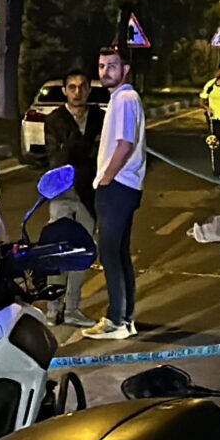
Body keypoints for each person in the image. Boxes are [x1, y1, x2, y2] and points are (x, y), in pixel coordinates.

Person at [85, 44, 147, 341]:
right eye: (101, 66)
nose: (105, 71)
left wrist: (106, 179)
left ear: (125, 69)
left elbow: (125, 144)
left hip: (118, 187)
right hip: (126, 186)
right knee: (119, 254)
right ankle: (125, 318)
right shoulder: (124, 98)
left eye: (112, 65)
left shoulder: (123, 99)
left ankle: (116, 321)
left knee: (110, 254)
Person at [38, 68, 102, 328]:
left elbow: (99, 155)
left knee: (82, 251)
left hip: (88, 194)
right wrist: (80, 144)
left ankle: (73, 308)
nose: (78, 92)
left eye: (82, 86)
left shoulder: (98, 117)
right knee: (58, 250)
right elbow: (56, 159)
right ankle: (53, 308)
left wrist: (75, 148)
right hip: (61, 194)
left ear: (89, 89)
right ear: (65, 90)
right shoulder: (55, 119)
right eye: (72, 87)